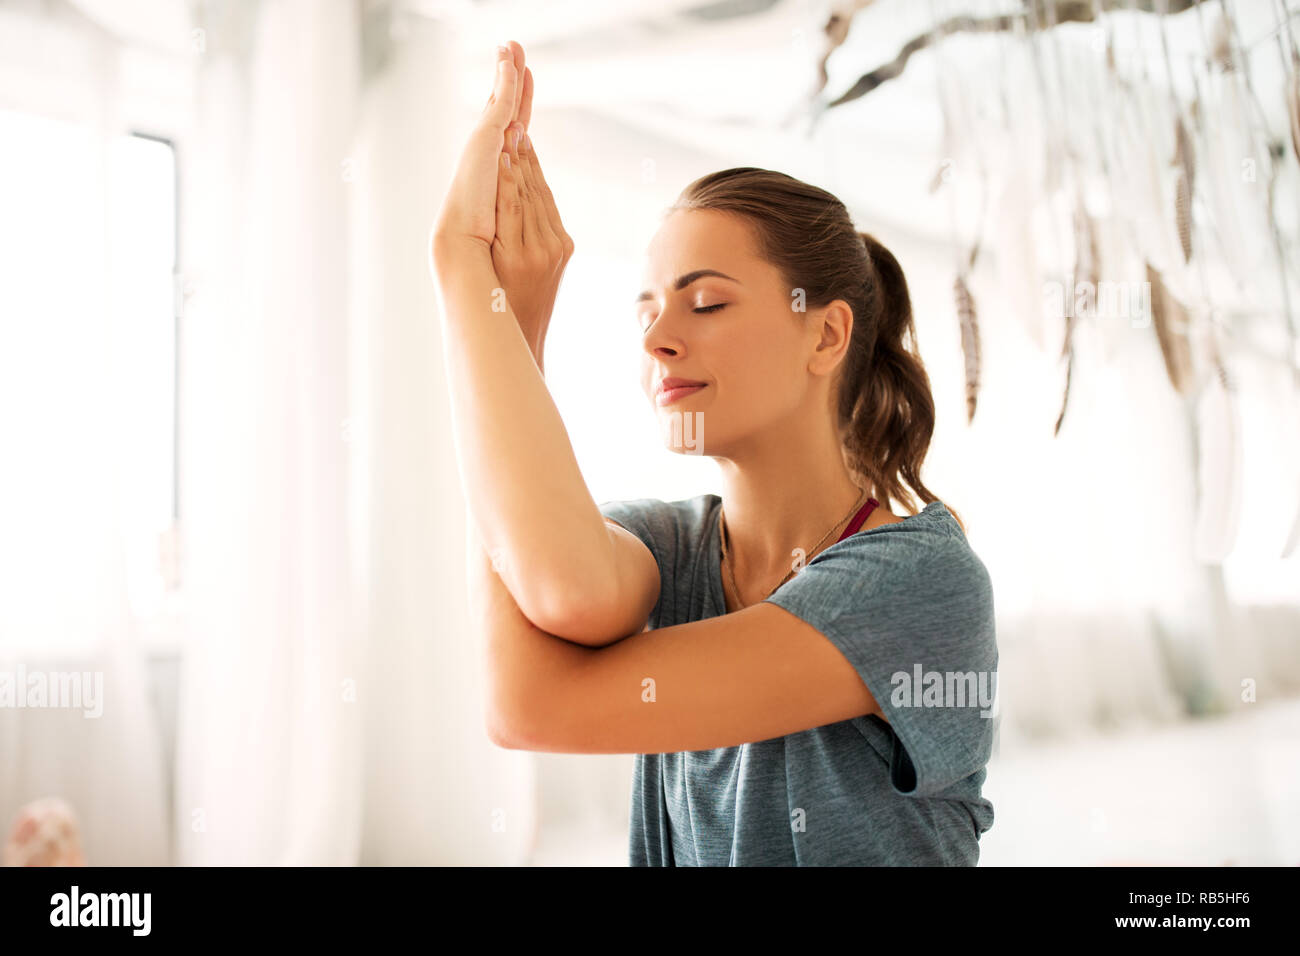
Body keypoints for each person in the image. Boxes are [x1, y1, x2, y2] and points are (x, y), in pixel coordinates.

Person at [429, 41, 998, 866]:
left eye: (705, 302)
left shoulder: (919, 583)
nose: (658, 338)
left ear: (825, 332)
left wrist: (458, 265)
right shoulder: (667, 546)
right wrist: (509, 322)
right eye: (648, 311)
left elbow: (529, 704)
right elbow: (552, 582)